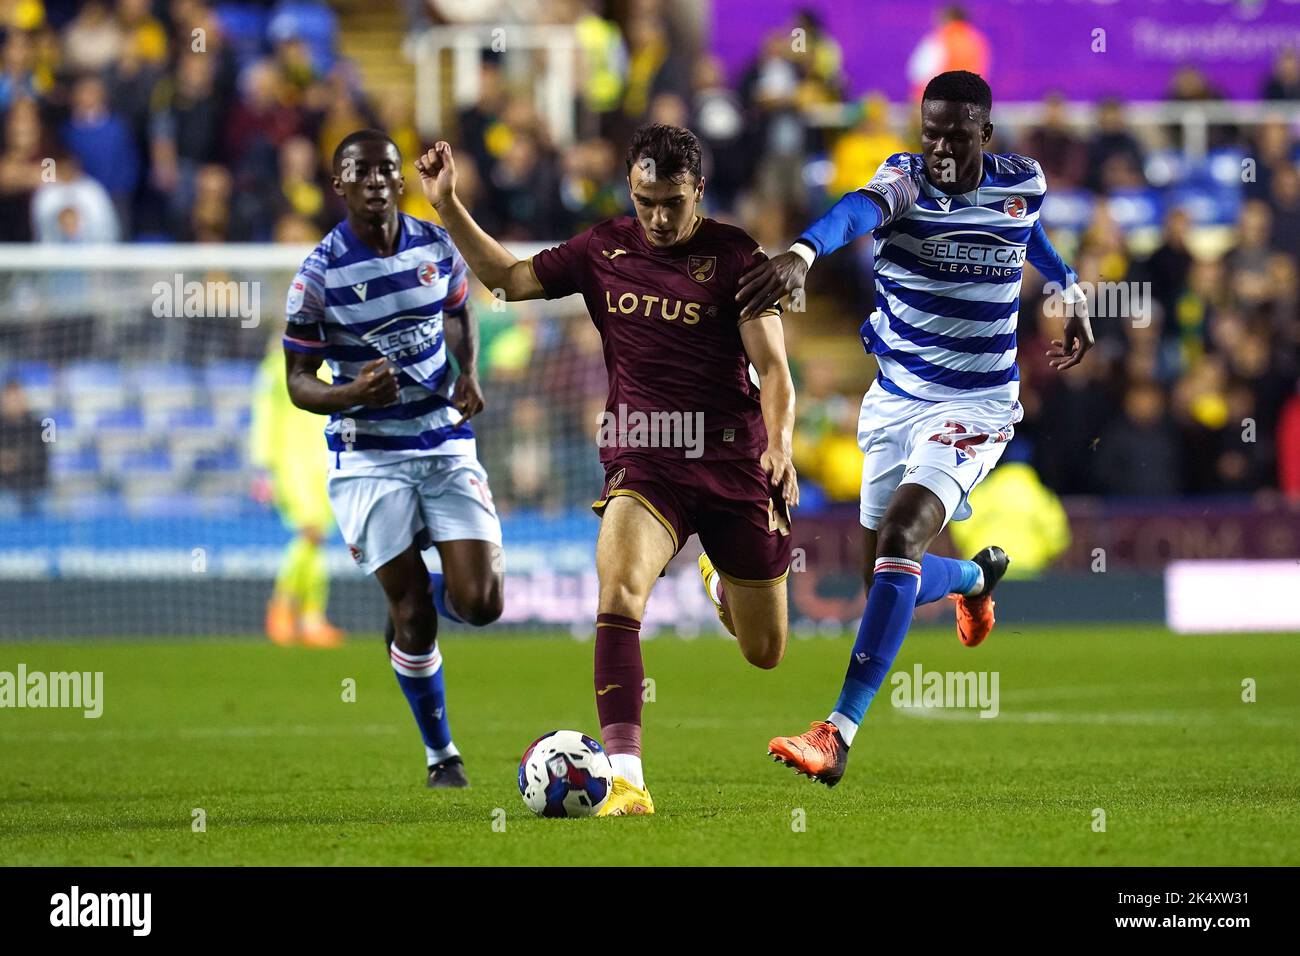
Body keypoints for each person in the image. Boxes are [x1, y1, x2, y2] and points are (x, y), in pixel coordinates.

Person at [415, 123, 798, 815]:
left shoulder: (737, 256)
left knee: (764, 650)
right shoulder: (603, 248)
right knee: (618, 591)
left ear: (699, 192)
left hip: (735, 462)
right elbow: (505, 278)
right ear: (631, 188)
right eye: (646, 199)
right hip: (643, 455)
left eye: (672, 202)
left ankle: (718, 579)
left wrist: (781, 445)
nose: (657, 216)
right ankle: (627, 779)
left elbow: (773, 368)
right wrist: (447, 205)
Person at [736, 71, 1093, 786]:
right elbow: (856, 211)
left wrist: (1071, 287)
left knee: (901, 538)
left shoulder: (1022, 179)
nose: (941, 150)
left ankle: (836, 733)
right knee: (881, 577)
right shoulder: (904, 181)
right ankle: (974, 576)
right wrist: (803, 252)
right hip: (897, 398)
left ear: (985, 136)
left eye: (957, 136)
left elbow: (1028, 232)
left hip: (977, 405)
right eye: (930, 133)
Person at [283, 128, 504, 789]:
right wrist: (350, 392)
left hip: (439, 436)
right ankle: (443, 756)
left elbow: (462, 313)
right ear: (340, 186)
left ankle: (415, 591)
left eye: (386, 169)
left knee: (484, 603)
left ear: (399, 181)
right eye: (361, 172)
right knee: (414, 615)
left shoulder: (436, 245)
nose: (376, 180)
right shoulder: (318, 276)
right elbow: (298, 380)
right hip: (368, 454)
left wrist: (468, 372)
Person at [250, 340, 346, 648]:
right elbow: (264, 412)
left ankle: (310, 618)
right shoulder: (277, 363)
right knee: (311, 532)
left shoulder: (335, 359)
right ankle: (282, 605)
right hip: (291, 462)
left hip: (328, 461)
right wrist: (263, 466)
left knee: (318, 541)